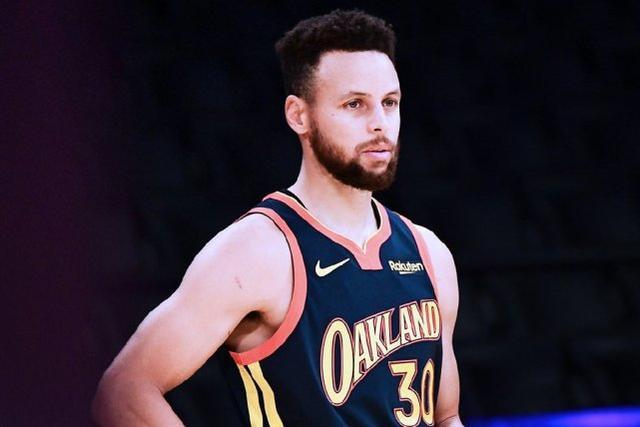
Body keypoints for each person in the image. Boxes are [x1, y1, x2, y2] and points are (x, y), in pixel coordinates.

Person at [93, 9, 463, 427]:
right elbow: (124, 391)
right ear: (298, 115)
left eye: (389, 103)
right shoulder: (256, 251)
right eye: (354, 104)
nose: (379, 123)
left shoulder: (429, 254)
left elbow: (446, 416)